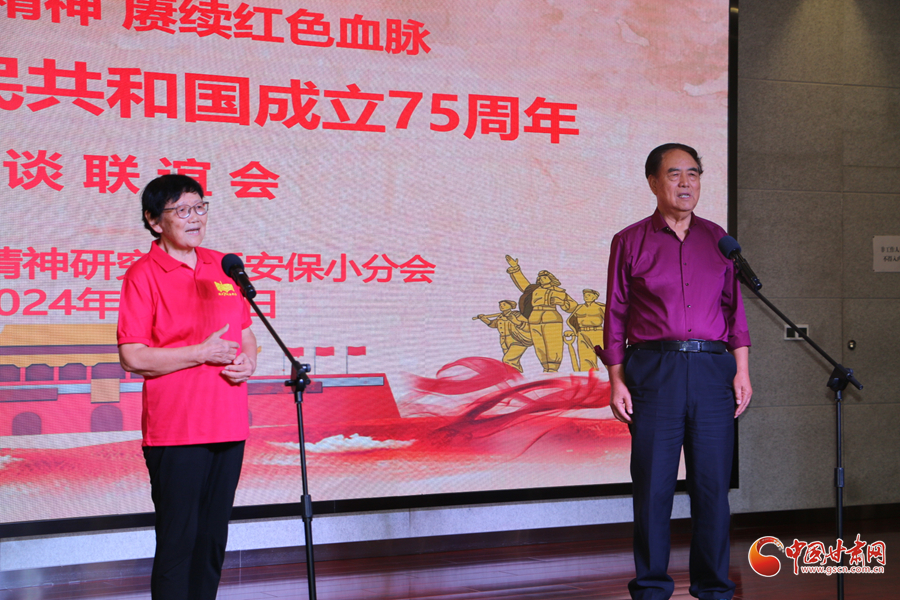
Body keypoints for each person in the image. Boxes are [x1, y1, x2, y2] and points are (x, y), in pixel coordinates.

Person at [597, 144, 752, 600]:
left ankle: (714, 587)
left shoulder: (719, 240)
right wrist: (616, 379)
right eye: (674, 174)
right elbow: (616, 314)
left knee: (712, 488)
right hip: (654, 371)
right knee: (653, 487)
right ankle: (651, 587)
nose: (686, 183)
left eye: (693, 174)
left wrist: (742, 371)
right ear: (652, 182)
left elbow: (734, 312)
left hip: (712, 371)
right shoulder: (629, 241)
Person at [117, 174, 257, 600]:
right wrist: (200, 353)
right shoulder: (143, 275)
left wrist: (248, 361)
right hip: (177, 430)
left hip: (228, 422)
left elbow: (245, 331)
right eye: (181, 210)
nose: (194, 218)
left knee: (212, 541)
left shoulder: (223, 267)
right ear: (154, 221)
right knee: (179, 542)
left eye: (199, 207)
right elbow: (133, 356)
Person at [505, 256, 578, 372]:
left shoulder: (559, 291)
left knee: (553, 344)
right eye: (540, 278)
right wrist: (515, 268)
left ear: (550, 278)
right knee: (539, 345)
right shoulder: (535, 290)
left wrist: (562, 303)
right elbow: (523, 283)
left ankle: (553, 367)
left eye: (544, 277)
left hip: (551, 318)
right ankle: (545, 367)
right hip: (535, 318)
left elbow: (573, 306)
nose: (541, 279)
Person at [476, 299, 533, 372]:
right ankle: (517, 375)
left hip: (518, 340)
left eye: (504, 304)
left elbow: (529, 327)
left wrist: (516, 322)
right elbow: (493, 324)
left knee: (508, 360)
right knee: (513, 362)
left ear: (511, 306)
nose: (501, 306)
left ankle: (513, 376)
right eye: (500, 305)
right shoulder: (500, 316)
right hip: (504, 341)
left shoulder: (517, 315)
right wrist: (484, 319)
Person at [566, 288, 606, 371]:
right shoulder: (579, 307)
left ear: (595, 297)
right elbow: (572, 320)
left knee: (607, 357)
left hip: (597, 333)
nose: (586, 297)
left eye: (589, 295)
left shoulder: (601, 307)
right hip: (582, 333)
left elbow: (611, 321)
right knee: (586, 359)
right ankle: (590, 377)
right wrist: (575, 331)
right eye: (585, 295)